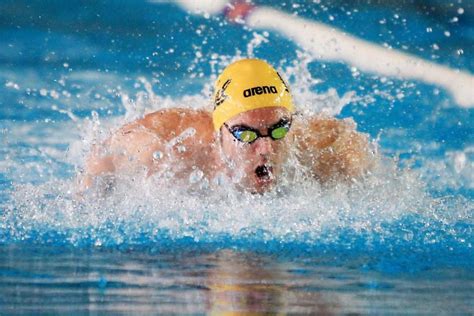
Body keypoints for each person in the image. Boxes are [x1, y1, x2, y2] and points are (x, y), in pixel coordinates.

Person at [80, 58, 373, 194]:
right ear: (220, 131)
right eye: (246, 134)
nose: (266, 147)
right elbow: (103, 157)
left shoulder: (331, 151)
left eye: (279, 129)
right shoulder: (170, 146)